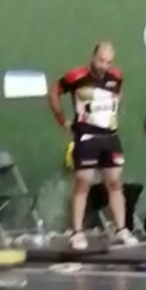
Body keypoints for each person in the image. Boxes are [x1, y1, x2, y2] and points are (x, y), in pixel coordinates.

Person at [48, 41, 139, 250]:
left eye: (108, 62)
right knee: (83, 183)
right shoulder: (76, 76)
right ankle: (77, 233)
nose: (103, 66)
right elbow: (54, 91)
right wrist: (62, 120)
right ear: (93, 56)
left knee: (115, 182)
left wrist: (112, 113)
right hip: (86, 137)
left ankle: (121, 229)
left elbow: (118, 94)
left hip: (110, 136)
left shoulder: (116, 77)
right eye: (100, 61)